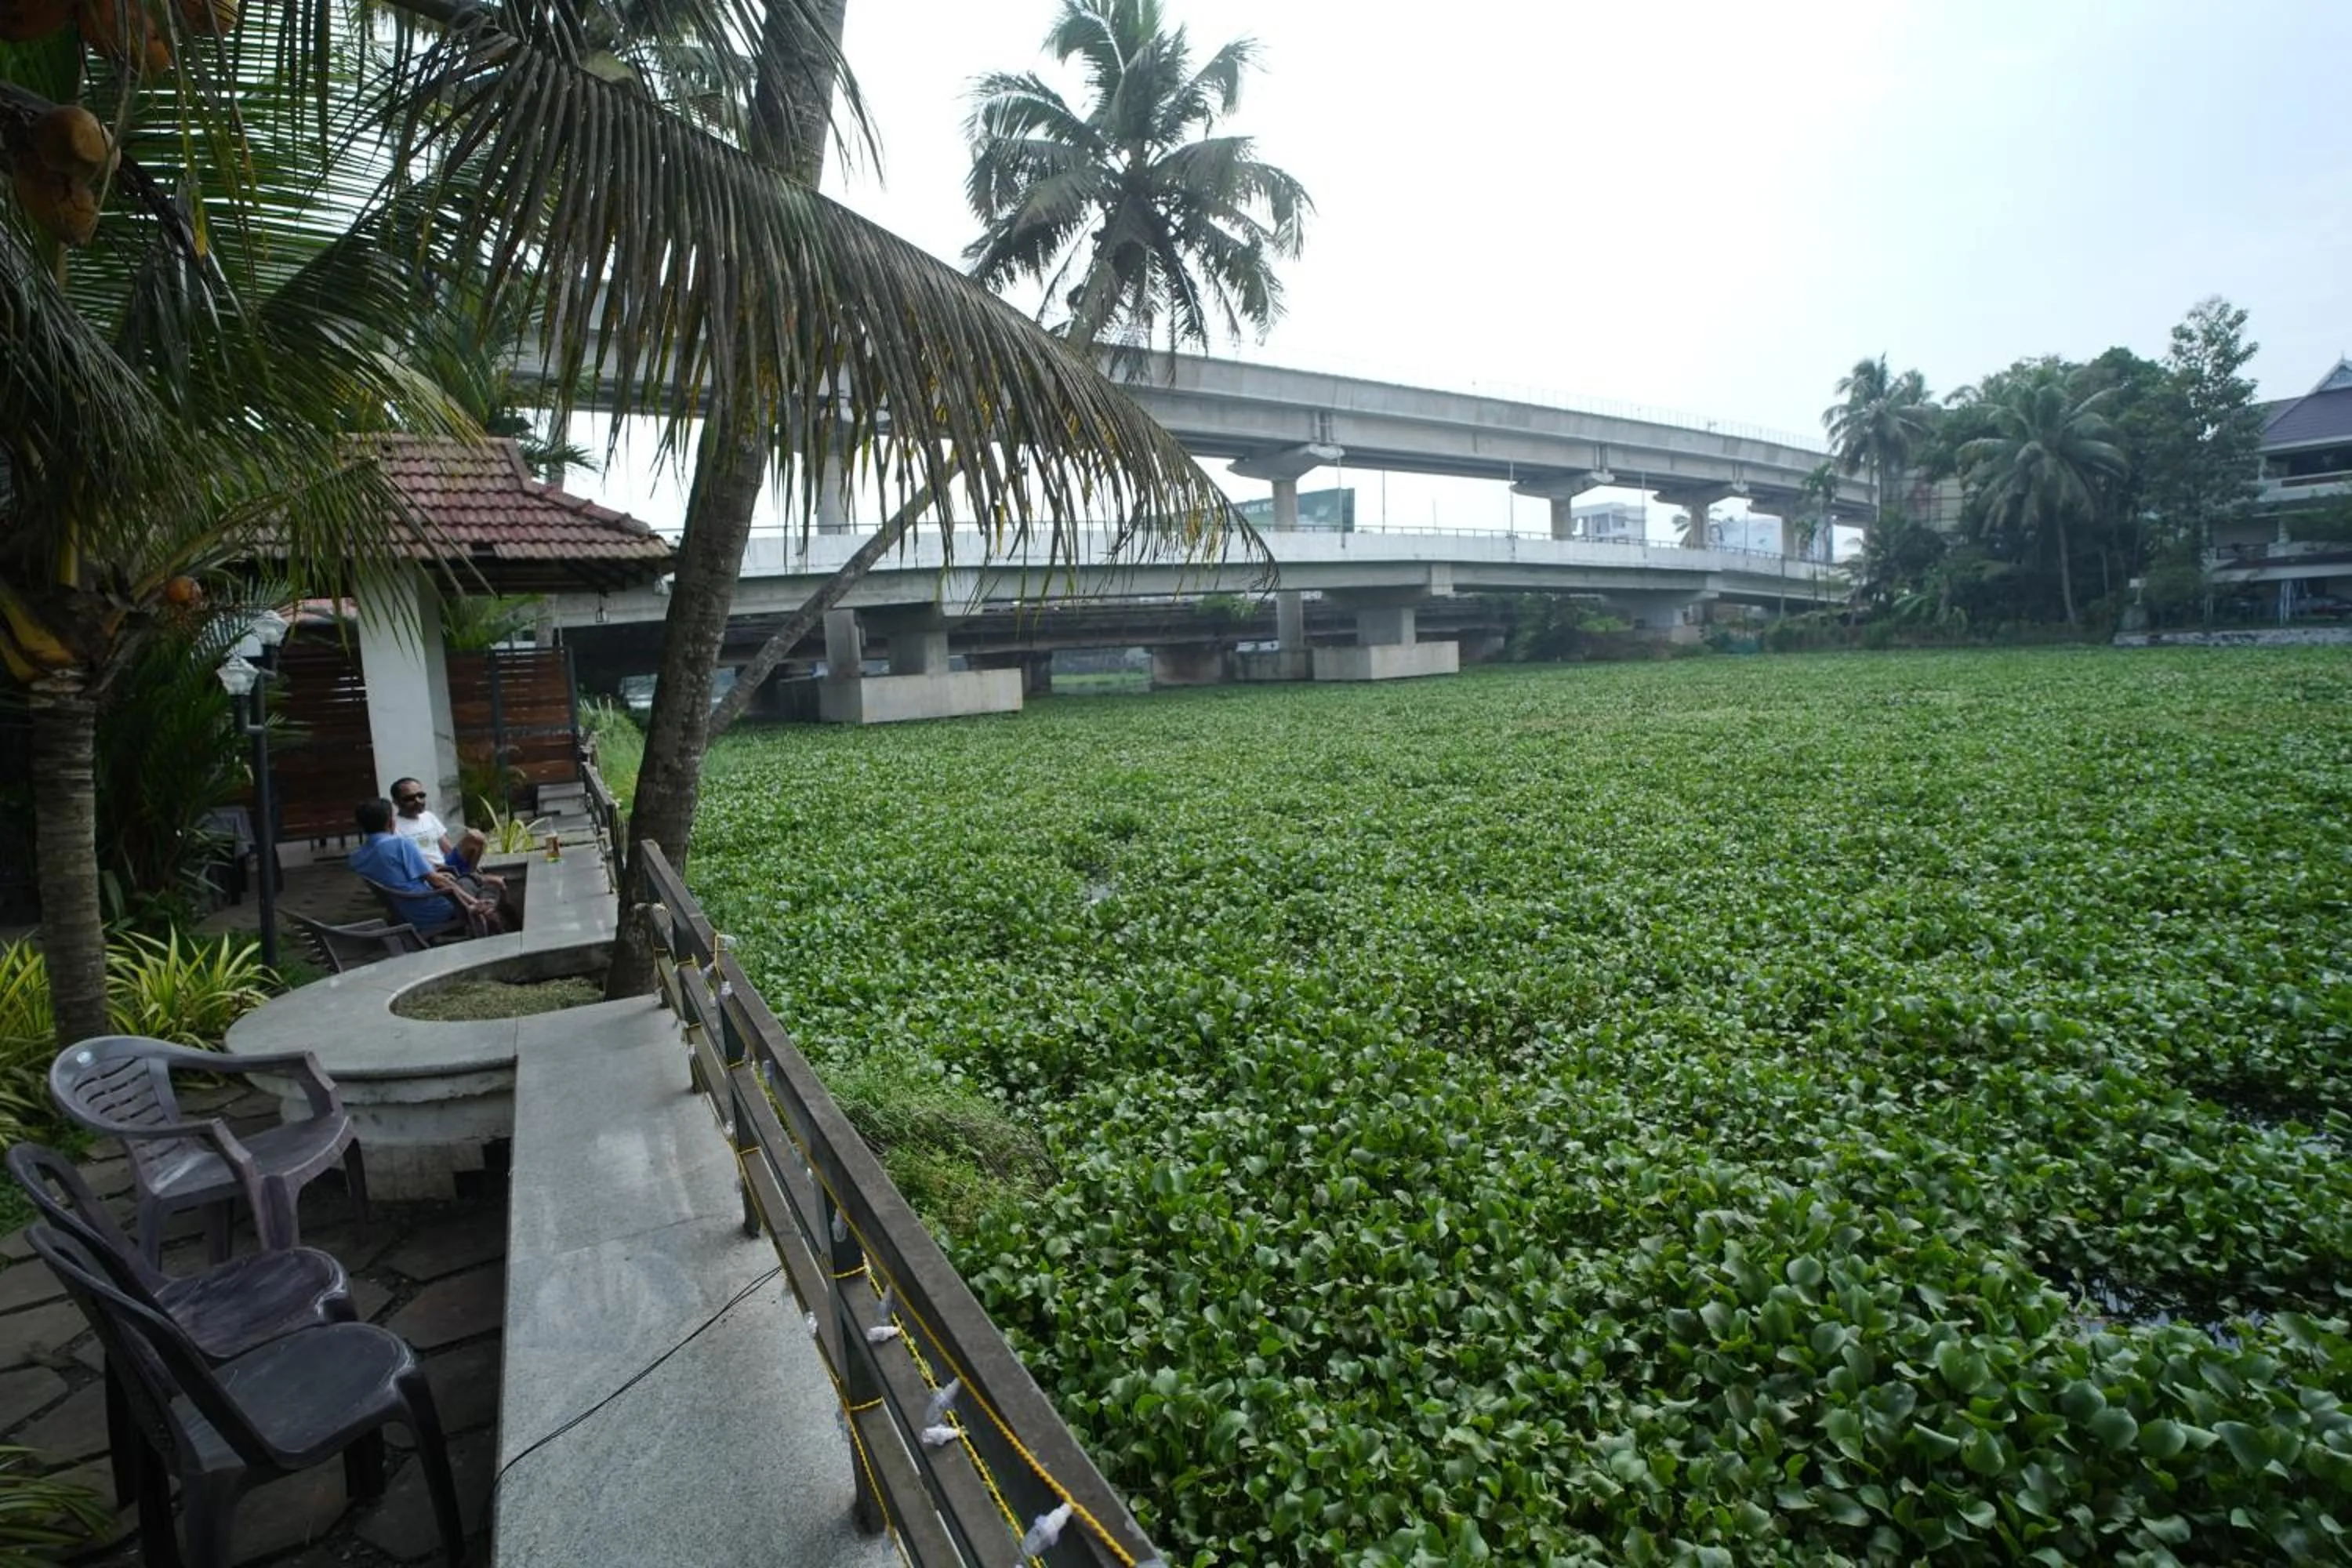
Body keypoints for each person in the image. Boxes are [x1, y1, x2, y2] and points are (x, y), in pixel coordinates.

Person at [348, 798, 501, 937]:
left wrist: (436, 876)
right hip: (436, 910)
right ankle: (493, 933)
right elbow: (438, 882)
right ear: (390, 822)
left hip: (405, 912)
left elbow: (396, 875)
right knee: (484, 885)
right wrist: (473, 903)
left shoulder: (356, 857)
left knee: (461, 881)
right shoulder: (400, 844)